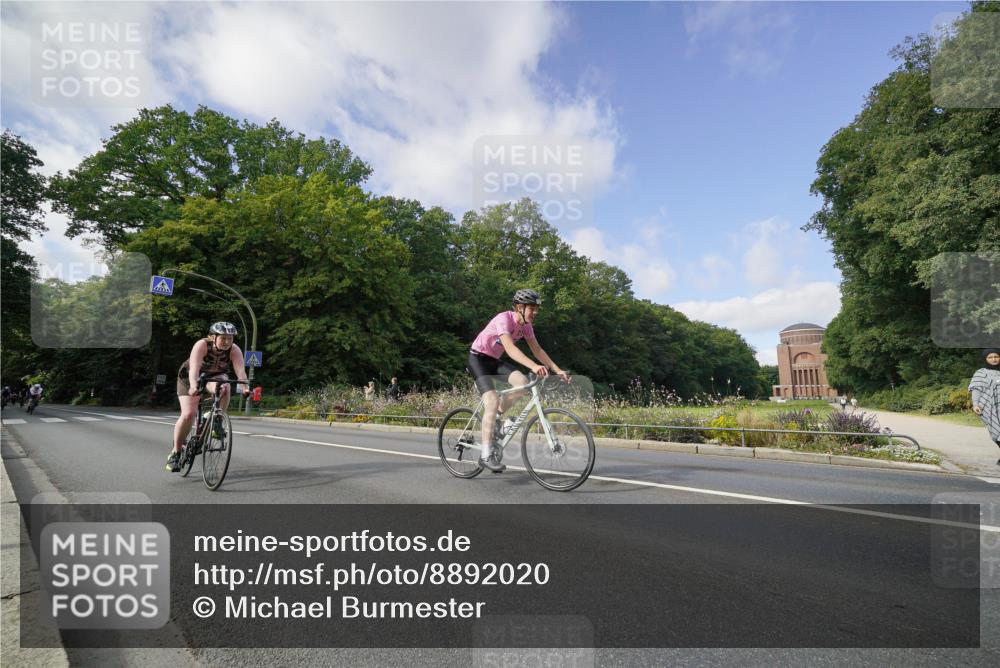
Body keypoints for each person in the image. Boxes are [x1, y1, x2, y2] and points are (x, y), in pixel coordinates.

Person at [467, 289, 569, 473]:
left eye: (537, 309)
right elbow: (510, 349)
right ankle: (486, 455)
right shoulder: (503, 319)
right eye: (532, 308)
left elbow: (538, 350)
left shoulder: (527, 326)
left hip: (493, 360)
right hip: (478, 359)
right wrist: (534, 366)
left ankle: (497, 418)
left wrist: (557, 370)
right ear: (519, 307)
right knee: (491, 400)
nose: (535, 312)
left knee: (522, 383)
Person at [165, 322, 249, 473]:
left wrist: (245, 388)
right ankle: (176, 452)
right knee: (188, 414)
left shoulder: (234, 349)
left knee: (225, 386)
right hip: (190, 378)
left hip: (215, 377)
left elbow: (240, 372)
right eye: (223, 338)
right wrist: (193, 386)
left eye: (230, 338)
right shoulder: (202, 345)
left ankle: (216, 419)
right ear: (212, 337)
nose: (227, 342)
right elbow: (194, 369)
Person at [970, 348, 1000, 464]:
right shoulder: (981, 373)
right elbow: (976, 389)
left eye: (996, 357)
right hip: (989, 407)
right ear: (985, 359)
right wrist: (975, 404)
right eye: (990, 357)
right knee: (995, 432)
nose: (994, 359)